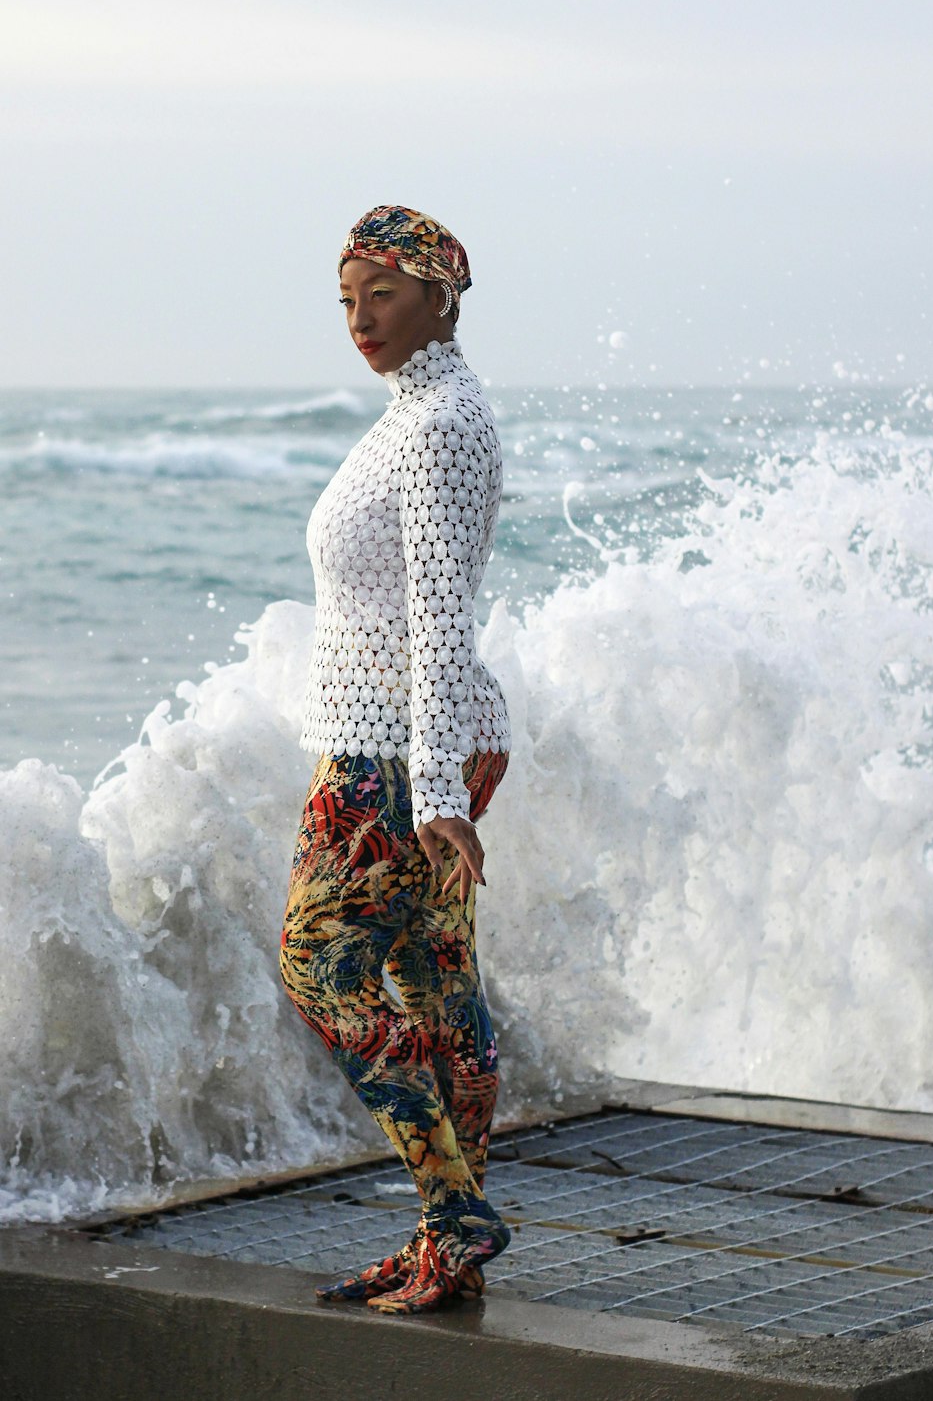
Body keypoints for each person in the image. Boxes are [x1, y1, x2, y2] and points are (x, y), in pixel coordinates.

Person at [279, 205, 512, 1315]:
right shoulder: (421, 415)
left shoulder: (437, 427)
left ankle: (452, 1206)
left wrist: (431, 788)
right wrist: (479, 730)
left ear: (440, 295)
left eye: (382, 294)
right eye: (346, 300)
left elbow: (436, 614)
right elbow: (439, 608)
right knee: (434, 991)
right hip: (415, 752)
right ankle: (447, 1245)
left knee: (318, 969)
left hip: (382, 768)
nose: (361, 320)